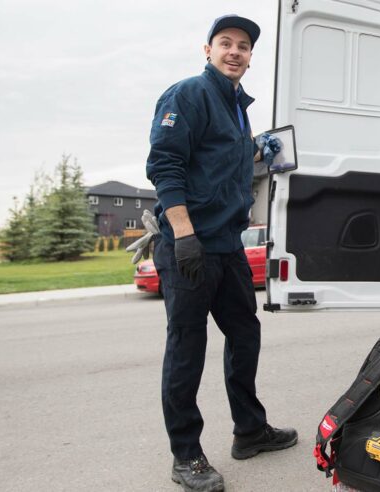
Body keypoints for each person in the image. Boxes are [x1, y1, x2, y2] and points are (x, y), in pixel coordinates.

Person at [145, 14, 296, 492]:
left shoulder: (236, 107)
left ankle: (249, 430)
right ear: (207, 50)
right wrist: (183, 233)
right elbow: (165, 164)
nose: (235, 51)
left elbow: (219, 161)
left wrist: (259, 151)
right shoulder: (187, 94)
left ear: (251, 58)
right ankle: (186, 455)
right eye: (226, 43)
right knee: (187, 350)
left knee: (245, 336)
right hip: (190, 247)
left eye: (244, 46)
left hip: (228, 245)